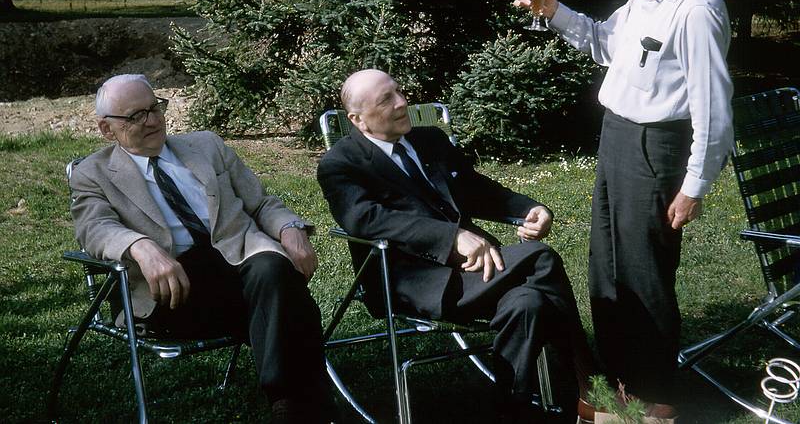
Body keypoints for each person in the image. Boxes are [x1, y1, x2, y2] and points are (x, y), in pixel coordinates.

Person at [515, 0, 734, 417]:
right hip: (618, 136)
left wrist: (694, 185)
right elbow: (605, 44)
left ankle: (657, 398)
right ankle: (621, 382)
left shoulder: (696, 8)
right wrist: (553, 11)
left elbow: (714, 108)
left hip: (656, 147)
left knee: (645, 272)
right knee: (608, 266)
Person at [317, 68, 598, 423]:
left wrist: (529, 208)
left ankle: (511, 409)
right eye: (387, 99)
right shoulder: (340, 165)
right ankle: (592, 387)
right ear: (358, 120)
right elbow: (366, 221)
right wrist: (451, 237)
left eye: (400, 92)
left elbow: (474, 188)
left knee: (529, 301)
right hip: (412, 279)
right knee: (540, 257)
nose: (403, 103)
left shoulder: (429, 140)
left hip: (476, 269)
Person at [70, 74, 333, 423]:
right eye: (135, 116)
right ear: (107, 129)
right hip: (176, 291)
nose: (151, 120)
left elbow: (260, 202)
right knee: (283, 291)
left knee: (272, 268)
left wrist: (291, 228)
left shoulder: (206, 146)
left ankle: (288, 404)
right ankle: (306, 402)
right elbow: (93, 227)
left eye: (154, 108)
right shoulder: (93, 173)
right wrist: (140, 246)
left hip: (243, 266)